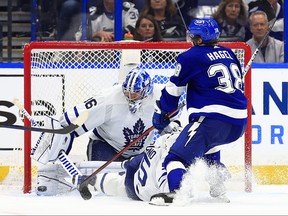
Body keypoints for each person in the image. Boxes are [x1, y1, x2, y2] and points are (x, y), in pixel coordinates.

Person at [149, 17, 248, 205]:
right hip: (239, 123)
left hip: (213, 119)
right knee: (209, 146)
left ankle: (177, 192)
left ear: (200, 39)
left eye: (193, 36)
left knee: (175, 158)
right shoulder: (228, 53)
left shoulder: (190, 56)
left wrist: (162, 112)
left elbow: (173, 90)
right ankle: (218, 189)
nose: (191, 39)